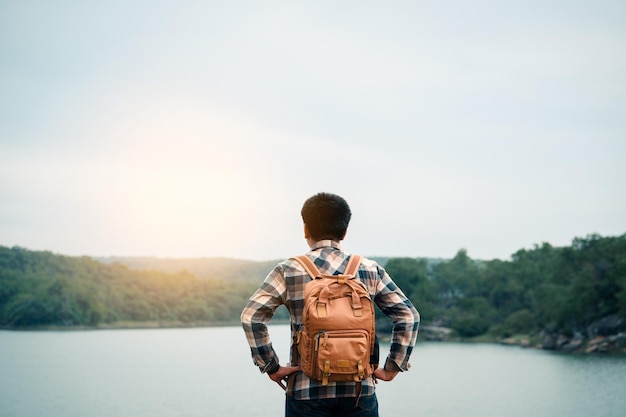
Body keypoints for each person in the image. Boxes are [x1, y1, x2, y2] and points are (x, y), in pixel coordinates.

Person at [241, 192, 420, 417]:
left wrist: (271, 366)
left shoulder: (288, 270)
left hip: (306, 393)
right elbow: (408, 316)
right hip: (360, 392)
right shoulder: (369, 269)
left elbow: (251, 316)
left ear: (305, 229)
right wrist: (393, 367)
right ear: (344, 232)